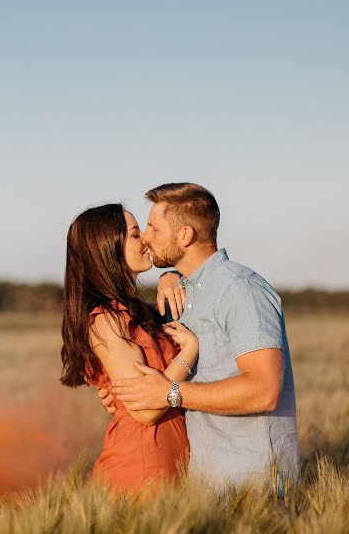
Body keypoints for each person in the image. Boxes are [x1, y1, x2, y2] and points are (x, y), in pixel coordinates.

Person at [101, 183, 299, 494]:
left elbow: (264, 390)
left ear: (185, 236)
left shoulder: (241, 291)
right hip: (203, 484)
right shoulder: (181, 294)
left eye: (153, 227)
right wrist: (124, 392)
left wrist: (170, 393)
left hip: (255, 482)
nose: (146, 237)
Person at [60, 203, 200, 491]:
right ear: (109, 249)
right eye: (136, 234)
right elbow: (145, 411)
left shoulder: (135, 312)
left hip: (169, 453)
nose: (146, 239)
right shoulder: (106, 321)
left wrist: (170, 276)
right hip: (142, 460)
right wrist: (188, 353)